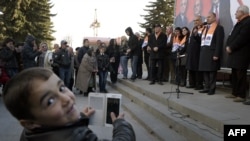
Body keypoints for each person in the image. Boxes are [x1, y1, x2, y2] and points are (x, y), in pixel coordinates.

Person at [2, 67, 136, 141]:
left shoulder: (30, 132)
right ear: (29, 122)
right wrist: (121, 125)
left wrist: (81, 118)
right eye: (50, 101)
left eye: (61, 88)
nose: (66, 99)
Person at [225, 5, 250, 104]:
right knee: (234, 73)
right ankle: (234, 92)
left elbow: (242, 37)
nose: (235, 13)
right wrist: (228, 44)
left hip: (242, 53)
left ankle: (241, 95)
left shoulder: (248, 22)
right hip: (235, 53)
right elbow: (232, 35)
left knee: (240, 74)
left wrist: (231, 47)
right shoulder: (239, 23)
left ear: (242, 12)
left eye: (237, 12)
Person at [198, 12, 224, 95]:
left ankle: (212, 88)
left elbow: (219, 42)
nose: (207, 18)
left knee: (212, 72)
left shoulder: (219, 28)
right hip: (204, 52)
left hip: (212, 53)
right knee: (205, 71)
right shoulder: (204, 28)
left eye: (209, 17)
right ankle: (206, 87)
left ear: (214, 18)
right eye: (207, 17)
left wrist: (216, 54)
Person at [186, 15, 205, 90]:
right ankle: (192, 83)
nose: (195, 22)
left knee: (197, 69)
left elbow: (201, 40)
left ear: (201, 21)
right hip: (191, 51)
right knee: (191, 67)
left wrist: (196, 34)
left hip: (198, 51)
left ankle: (199, 84)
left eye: (197, 20)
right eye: (194, 21)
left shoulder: (203, 28)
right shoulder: (193, 28)